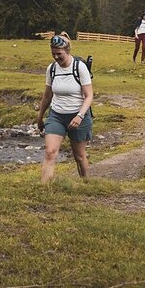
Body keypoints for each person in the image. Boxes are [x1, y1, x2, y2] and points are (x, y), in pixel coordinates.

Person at [37, 33, 94, 183]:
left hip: (78, 115)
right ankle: (44, 190)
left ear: (67, 51)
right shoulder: (52, 69)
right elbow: (47, 95)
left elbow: (89, 96)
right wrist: (40, 116)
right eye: (53, 54)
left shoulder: (79, 67)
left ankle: (87, 185)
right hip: (57, 115)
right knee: (50, 152)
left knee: (79, 156)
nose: (56, 57)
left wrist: (80, 116)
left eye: (59, 54)